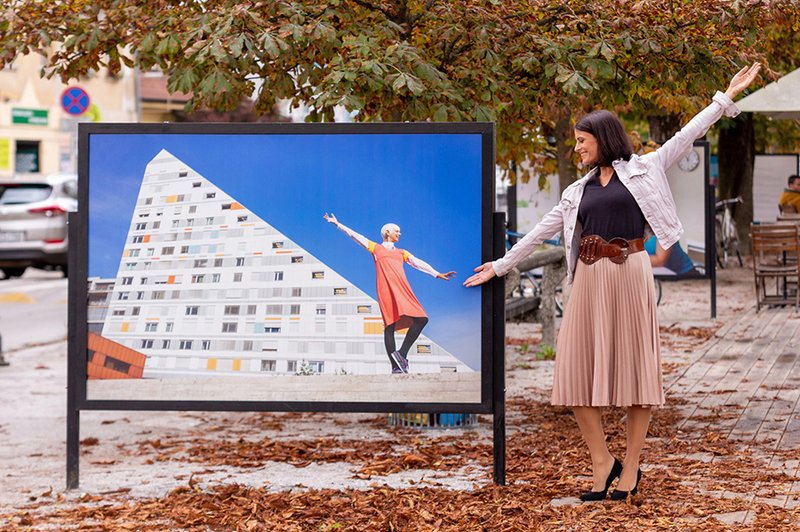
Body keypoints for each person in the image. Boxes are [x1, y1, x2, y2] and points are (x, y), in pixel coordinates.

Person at [464, 63, 761, 501]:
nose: (577, 150)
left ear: (603, 140)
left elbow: (687, 133)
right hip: (588, 282)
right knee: (575, 377)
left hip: (631, 273)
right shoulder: (575, 192)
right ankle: (603, 462)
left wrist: (725, 97)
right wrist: (501, 265)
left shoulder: (647, 167)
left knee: (637, 377)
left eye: (582, 142)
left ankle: (632, 468)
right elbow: (540, 232)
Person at [324, 213, 455, 374]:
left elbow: (417, 263)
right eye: (397, 231)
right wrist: (338, 224)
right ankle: (396, 367)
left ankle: (401, 354)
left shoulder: (402, 252)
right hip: (385, 288)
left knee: (421, 319)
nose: (399, 234)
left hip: (402, 288)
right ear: (387, 233)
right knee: (390, 325)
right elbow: (355, 236)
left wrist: (436, 273)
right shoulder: (376, 248)